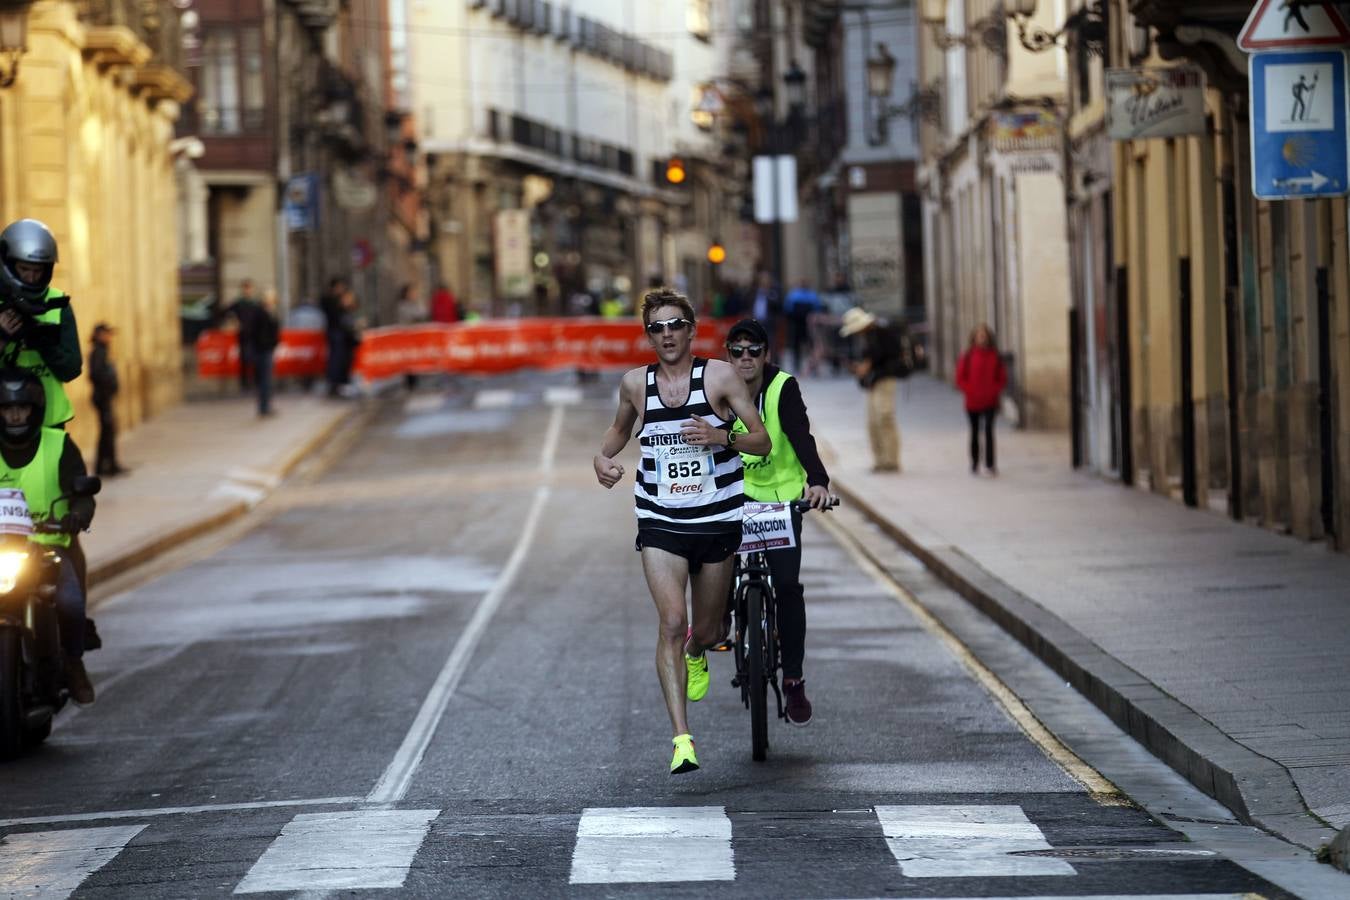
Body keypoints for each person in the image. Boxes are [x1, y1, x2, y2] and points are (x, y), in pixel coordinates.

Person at [593, 287, 770, 775]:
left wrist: (720, 436)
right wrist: (601, 457)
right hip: (661, 520)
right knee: (671, 621)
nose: (667, 334)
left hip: (716, 519)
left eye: (675, 325)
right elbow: (619, 431)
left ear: (691, 330)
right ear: (648, 334)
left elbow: (761, 439)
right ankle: (682, 739)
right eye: (657, 327)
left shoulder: (719, 377)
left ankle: (699, 650)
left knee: (708, 629)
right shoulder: (635, 384)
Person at [725, 319, 831, 725]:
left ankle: (793, 678)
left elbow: (801, 435)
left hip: (782, 501)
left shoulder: (783, 387)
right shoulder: (717, 387)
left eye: (754, 350)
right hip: (736, 500)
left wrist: (817, 481)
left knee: (787, 586)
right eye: (737, 351)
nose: (746, 358)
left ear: (766, 354)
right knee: (717, 571)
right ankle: (724, 623)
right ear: (727, 354)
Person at [0, 370, 96, 703]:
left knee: (69, 601)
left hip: (49, 549)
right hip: (4, 548)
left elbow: (82, 491)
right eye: (7, 409)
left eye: (22, 408)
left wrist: (77, 516)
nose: (15, 415)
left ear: (35, 409)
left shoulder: (58, 445)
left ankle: (73, 662)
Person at [0, 219, 82, 430]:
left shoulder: (57, 303)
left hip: (49, 424)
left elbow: (72, 370)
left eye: (38, 270)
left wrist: (43, 340)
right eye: (24, 269)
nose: (32, 276)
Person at [840, 307, 908, 473]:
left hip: (885, 379)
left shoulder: (882, 332)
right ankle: (880, 459)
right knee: (872, 422)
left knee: (884, 418)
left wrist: (869, 365)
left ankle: (891, 460)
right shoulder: (867, 337)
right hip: (873, 381)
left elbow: (890, 356)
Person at [956, 323, 1008, 475]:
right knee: (974, 432)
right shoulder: (967, 356)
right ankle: (974, 462)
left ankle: (990, 463)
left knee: (989, 431)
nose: (981, 338)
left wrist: (993, 391)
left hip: (990, 401)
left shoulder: (995, 355)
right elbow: (960, 378)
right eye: (979, 335)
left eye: (984, 335)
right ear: (974, 337)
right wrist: (970, 391)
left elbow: (1002, 378)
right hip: (972, 401)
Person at [87, 323, 126, 476]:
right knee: (106, 432)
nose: (109, 337)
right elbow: (95, 375)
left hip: (105, 397)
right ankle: (106, 466)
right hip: (102, 398)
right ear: (98, 334)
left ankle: (108, 465)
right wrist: (108, 380)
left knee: (108, 432)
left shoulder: (102, 351)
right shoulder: (98, 352)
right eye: (106, 334)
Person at [226, 279, 261, 392]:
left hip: (255, 335)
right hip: (243, 335)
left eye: (249, 288)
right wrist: (234, 321)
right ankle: (245, 383)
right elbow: (226, 312)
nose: (248, 291)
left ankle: (256, 382)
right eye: (246, 288)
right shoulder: (239, 303)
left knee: (256, 359)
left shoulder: (256, 303)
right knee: (244, 359)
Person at [783, 279, 823, 375]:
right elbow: (818, 308)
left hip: (804, 325)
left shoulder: (794, 295)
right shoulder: (800, 295)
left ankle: (808, 366)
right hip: (801, 325)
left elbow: (787, 309)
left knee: (807, 347)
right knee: (806, 347)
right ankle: (802, 366)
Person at [252, 289, 281, 417]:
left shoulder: (268, 312)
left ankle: (266, 405)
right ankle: (264, 407)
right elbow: (260, 333)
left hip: (265, 349)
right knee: (264, 380)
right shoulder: (261, 313)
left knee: (266, 379)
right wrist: (269, 344)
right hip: (263, 350)